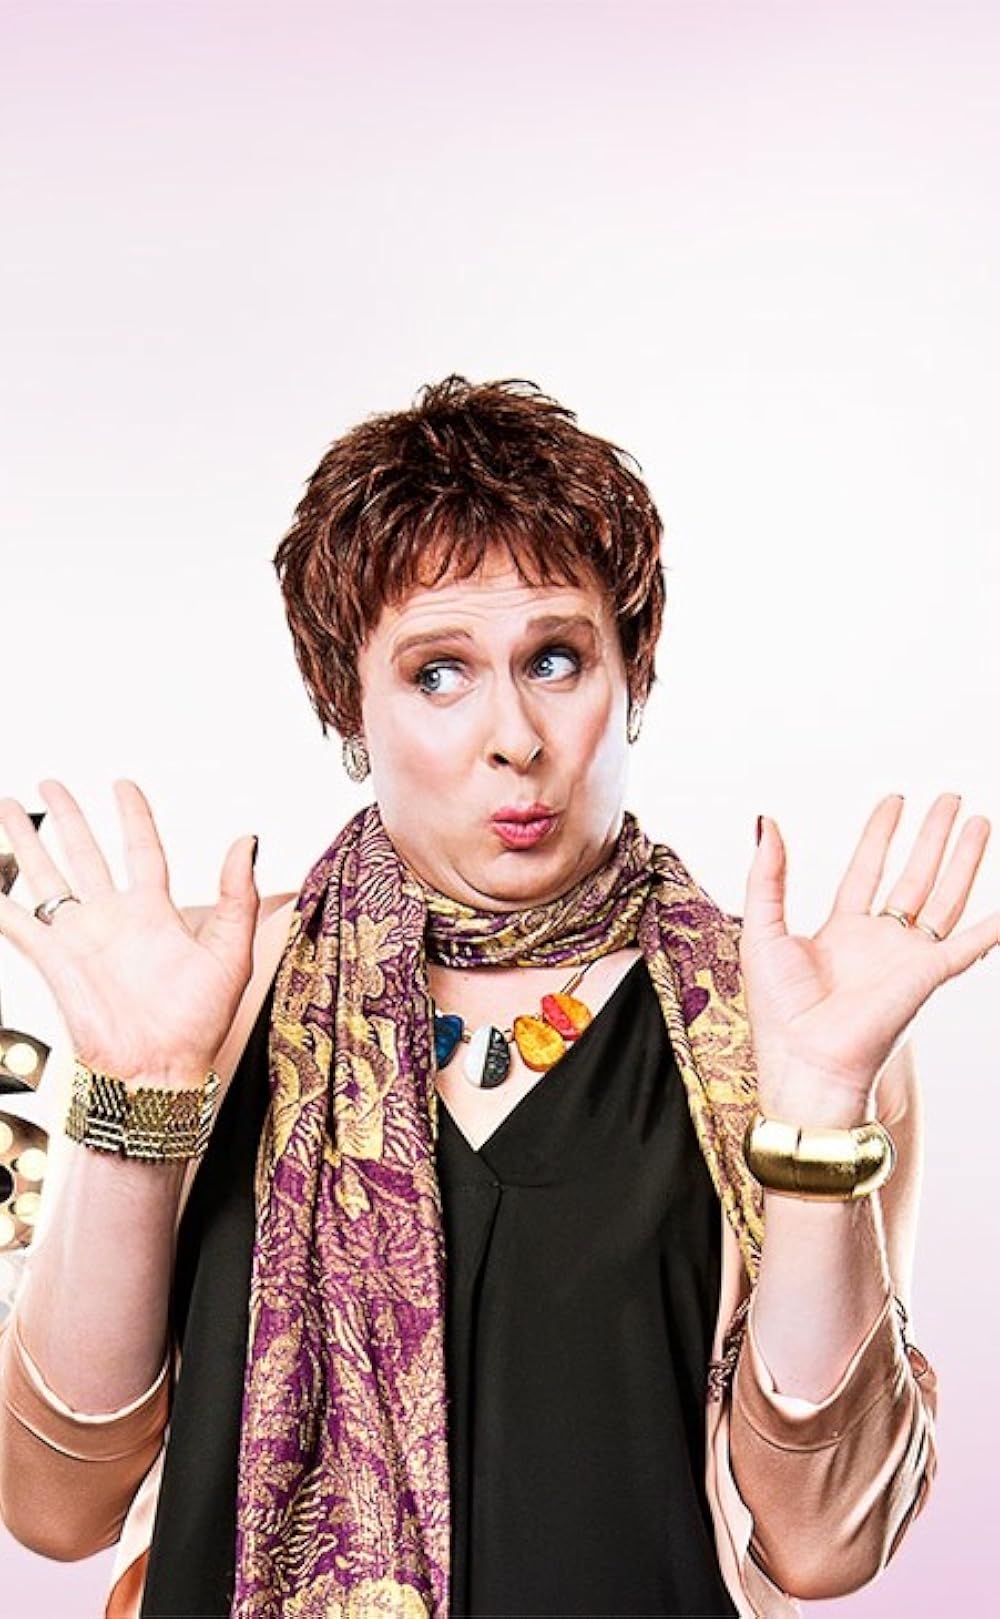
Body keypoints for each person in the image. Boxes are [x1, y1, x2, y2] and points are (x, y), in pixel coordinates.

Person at [0, 376, 992, 1619]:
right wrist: (135, 1111)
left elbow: (822, 1544)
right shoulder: (208, 992)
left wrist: (819, 1118)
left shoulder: (782, 1020)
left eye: (556, 659)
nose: (512, 735)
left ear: (632, 676)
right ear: (348, 702)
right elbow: (55, 1504)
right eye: (438, 673)